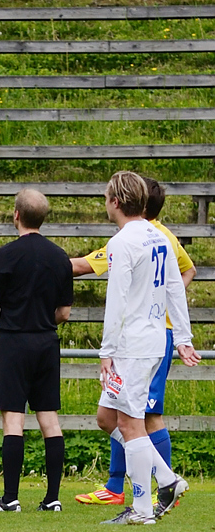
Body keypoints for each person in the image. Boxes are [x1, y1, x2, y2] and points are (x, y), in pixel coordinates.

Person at [71, 177, 196, 506]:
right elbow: (175, 288)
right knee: (107, 417)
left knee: (129, 422)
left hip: (133, 344)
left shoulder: (122, 242)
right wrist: (182, 337)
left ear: (114, 202)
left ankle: (142, 506)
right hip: (154, 338)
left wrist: (106, 350)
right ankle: (167, 479)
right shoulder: (160, 237)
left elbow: (117, 300)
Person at [0, 188, 73, 513]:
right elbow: (64, 314)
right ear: (43, 217)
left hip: (13, 342)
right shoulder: (60, 257)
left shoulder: (5, 255)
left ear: (16, 215)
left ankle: (10, 498)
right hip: (46, 343)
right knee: (50, 421)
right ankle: (52, 498)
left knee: (13, 420)